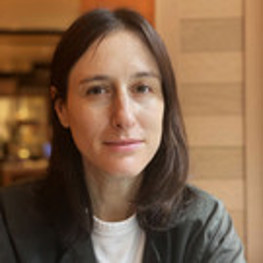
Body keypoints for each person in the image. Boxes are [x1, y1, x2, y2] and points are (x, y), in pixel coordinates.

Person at [0, 8, 246, 263]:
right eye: (97, 90)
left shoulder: (204, 227)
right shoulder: (9, 222)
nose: (124, 116)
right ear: (61, 108)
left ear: (165, 103)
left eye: (142, 88)